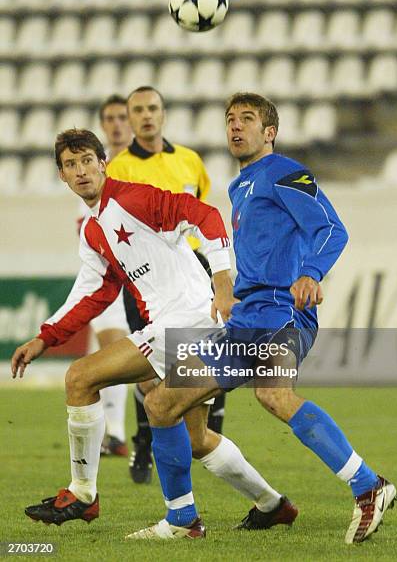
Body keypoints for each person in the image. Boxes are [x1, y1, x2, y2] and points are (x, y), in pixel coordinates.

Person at [118, 92, 396, 543]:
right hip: (244, 321)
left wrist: (310, 272)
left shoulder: (285, 172)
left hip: (282, 315)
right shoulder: (238, 186)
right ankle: (182, 521)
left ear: (269, 133)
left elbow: (331, 227)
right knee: (161, 403)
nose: (235, 126)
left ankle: (369, 487)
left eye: (247, 119)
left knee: (272, 393)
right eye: (230, 119)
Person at [11, 128, 297, 537]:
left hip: (187, 320)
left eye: (87, 160)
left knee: (80, 378)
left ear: (102, 162)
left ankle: (83, 494)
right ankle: (272, 504)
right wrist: (45, 337)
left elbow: (207, 216)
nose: (81, 171)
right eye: (70, 165)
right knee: (196, 438)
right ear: (61, 175)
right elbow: (92, 295)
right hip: (189, 324)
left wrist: (222, 283)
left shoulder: (134, 199)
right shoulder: (93, 231)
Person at [106, 86, 227, 482]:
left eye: (152, 108)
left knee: (202, 357)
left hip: (193, 272)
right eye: (137, 110)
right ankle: (144, 439)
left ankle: (208, 431)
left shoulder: (190, 161)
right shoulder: (119, 168)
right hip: (145, 279)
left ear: (163, 113)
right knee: (148, 369)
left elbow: (202, 214)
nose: (145, 116)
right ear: (129, 117)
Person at [79, 95, 133, 457]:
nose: (116, 124)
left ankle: (144, 434)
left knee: (150, 361)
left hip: (145, 278)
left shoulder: (142, 168)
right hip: (107, 280)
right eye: (109, 118)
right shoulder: (89, 171)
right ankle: (115, 433)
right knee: (112, 349)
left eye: (121, 117)